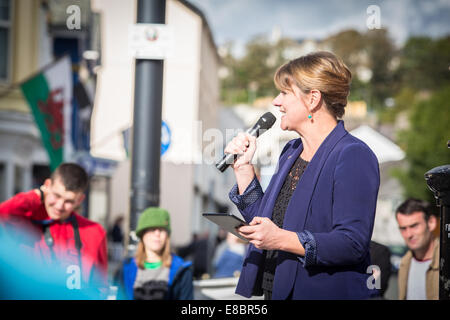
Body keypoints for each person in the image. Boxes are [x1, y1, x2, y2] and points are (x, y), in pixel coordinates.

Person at [225, 51, 380, 299]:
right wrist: (244, 168)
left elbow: (351, 244)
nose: (276, 101)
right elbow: (265, 222)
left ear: (313, 99)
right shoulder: (291, 151)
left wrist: (281, 239)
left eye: (285, 93)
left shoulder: (352, 155)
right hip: (275, 290)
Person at [0, 163, 108, 297]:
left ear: (80, 200)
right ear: (47, 185)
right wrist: (37, 195)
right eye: (56, 196)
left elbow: (99, 287)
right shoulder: (26, 222)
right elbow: (3, 213)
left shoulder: (94, 232)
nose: (59, 206)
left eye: (69, 201)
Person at [114, 207, 193, 300]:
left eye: (161, 229)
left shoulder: (182, 271)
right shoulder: (125, 268)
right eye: (151, 229)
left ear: (167, 235)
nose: (157, 234)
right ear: (142, 234)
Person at [395, 198, 439, 300]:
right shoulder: (404, 264)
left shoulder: (445, 262)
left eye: (414, 226)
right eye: (403, 228)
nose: (409, 234)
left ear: (431, 223)